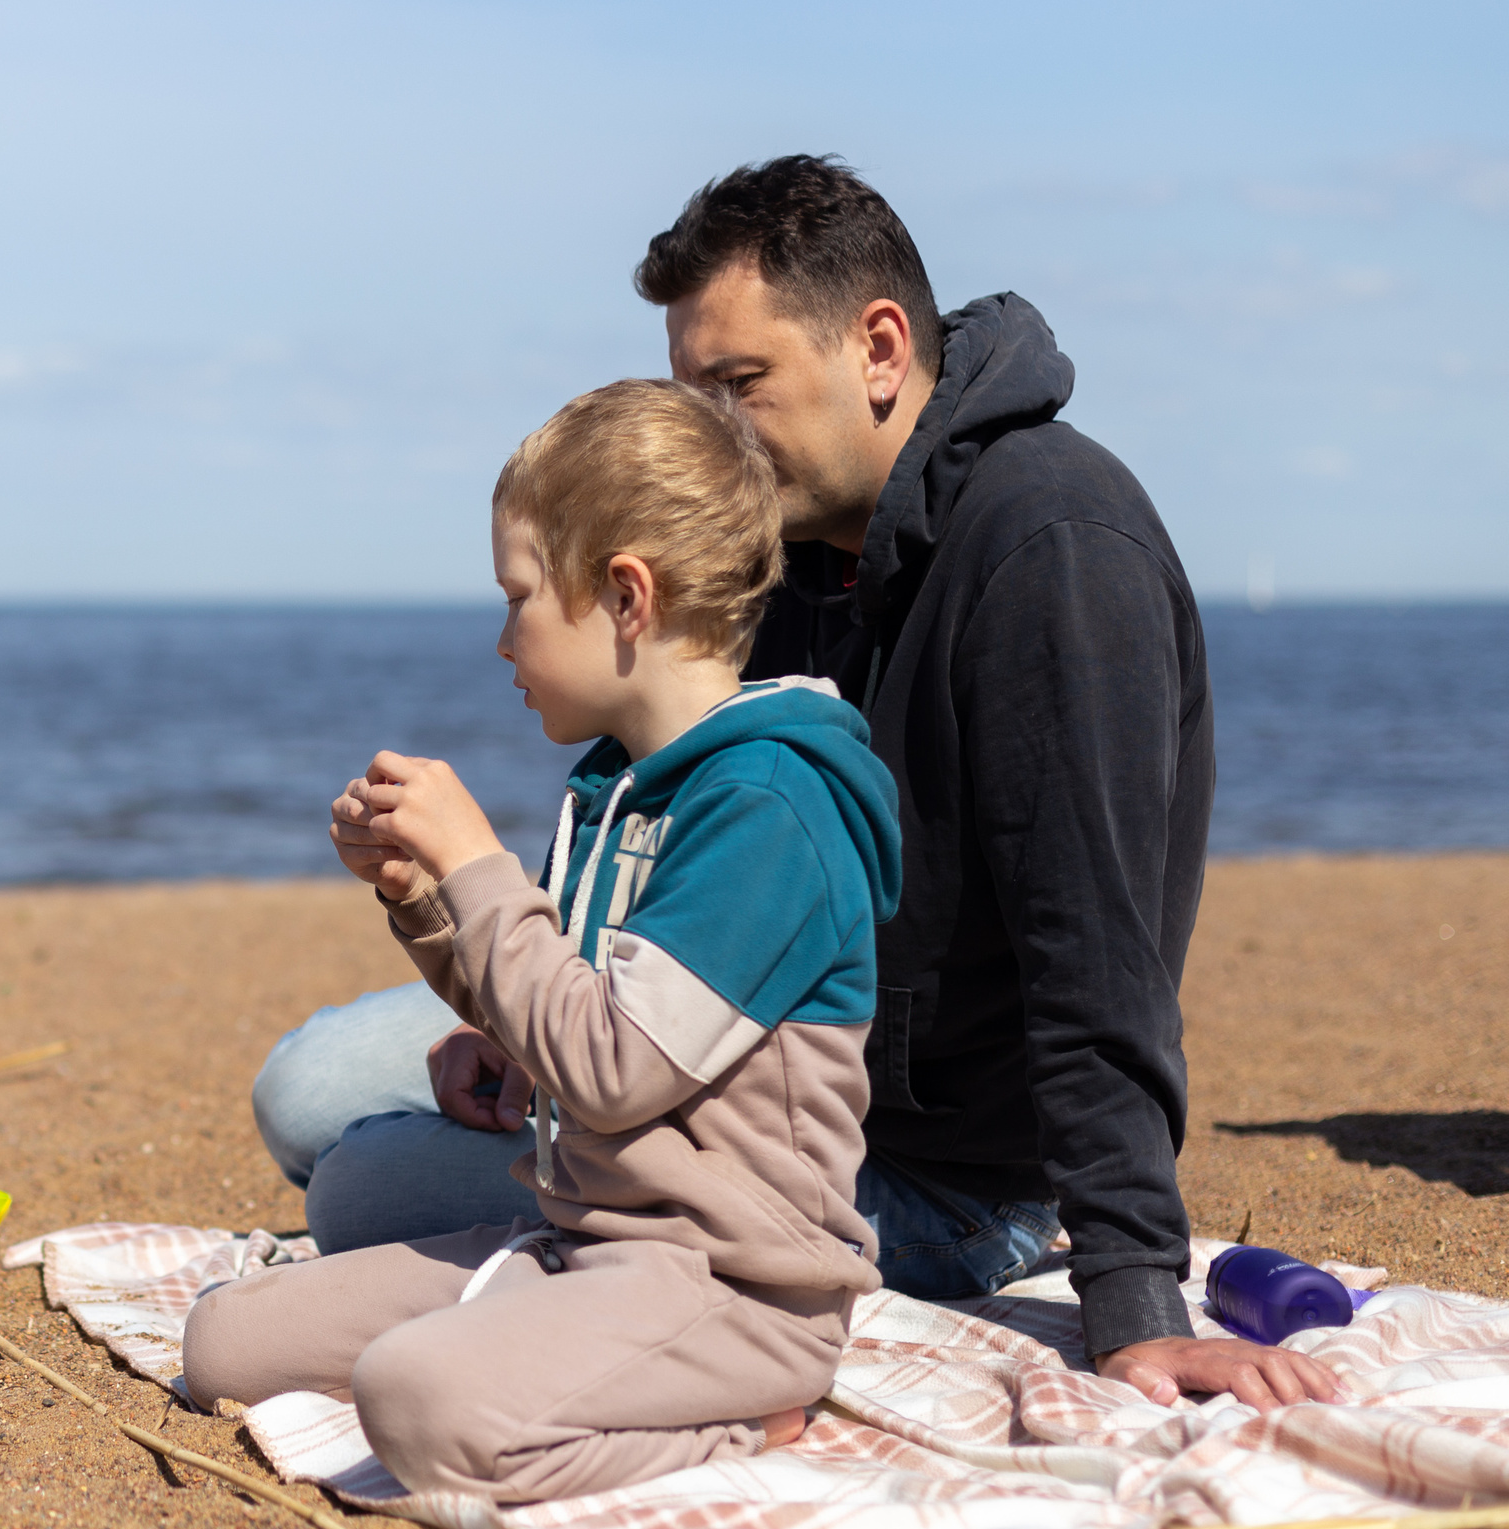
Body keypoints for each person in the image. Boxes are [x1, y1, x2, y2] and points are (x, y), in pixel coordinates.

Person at [253, 156, 1346, 1414]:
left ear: (879, 347)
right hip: (695, 1032)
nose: (708, 435)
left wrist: (1136, 1296)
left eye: (739, 385)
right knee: (312, 1088)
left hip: (912, 1167)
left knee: (360, 1188)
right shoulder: (784, 553)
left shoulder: (1052, 548)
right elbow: (673, 845)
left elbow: (1094, 950)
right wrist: (515, 1015)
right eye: (691, 393)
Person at [182, 380, 901, 1503]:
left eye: (518, 597)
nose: (503, 637)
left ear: (625, 596)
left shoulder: (772, 809)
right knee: (220, 1346)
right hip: (588, 1243)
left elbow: (613, 1071)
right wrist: (423, 896)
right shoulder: (621, 788)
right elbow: (557, 1011)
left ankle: (749, 1426)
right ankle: (540, 1342)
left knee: (417, 1401)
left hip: (736, 1291)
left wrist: (478, 866)